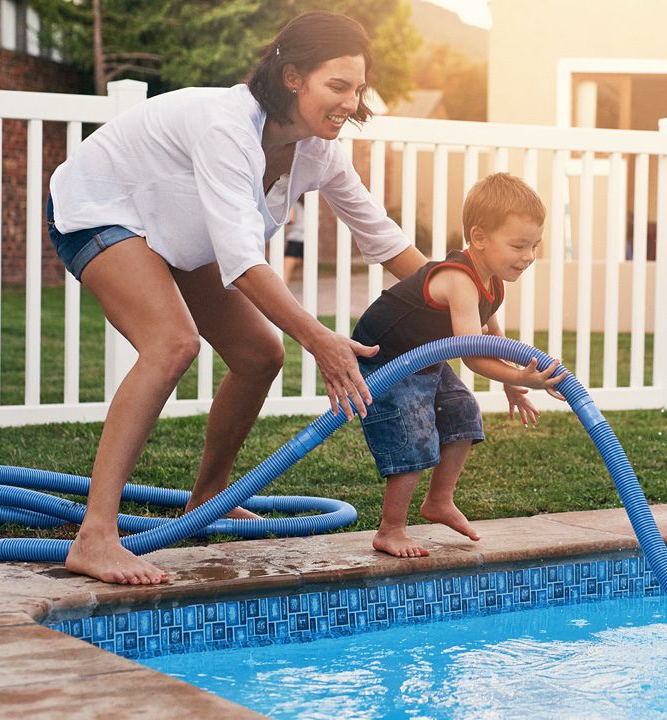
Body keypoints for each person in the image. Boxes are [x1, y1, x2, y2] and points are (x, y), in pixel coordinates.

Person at [45, 12, 428, 585]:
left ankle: (207, 500)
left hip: (179, 230)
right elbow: (245, 265)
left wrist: (470, 305)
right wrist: (320, 340)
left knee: (259, 354)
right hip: (102, 208)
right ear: (294, 77)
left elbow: (385, 241)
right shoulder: (228, 126)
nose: (351, 102)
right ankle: (95, 536)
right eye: (338, 86)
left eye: (357, 88)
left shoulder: (319, 151)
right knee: (171, 344)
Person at [351, 173, 563, 558]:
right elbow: (470, 351)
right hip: (384, 359)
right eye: (518, 245)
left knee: (464, 414)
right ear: (478, 237)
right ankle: (391, 529)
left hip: (423, 358)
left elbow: (492, 337)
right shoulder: (459, 278)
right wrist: (519, 375)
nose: (528, 256)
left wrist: (511, 383)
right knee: (414, 437)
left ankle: (439, 501)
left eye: (535, 245)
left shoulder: (492, 281)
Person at [281, 194, 305, 287]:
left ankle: (282, 289)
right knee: (308, 267)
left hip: (296, 237)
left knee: (286, 271)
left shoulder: (293, 202)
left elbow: (291, 219)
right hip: (308, 238)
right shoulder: (307, 205)